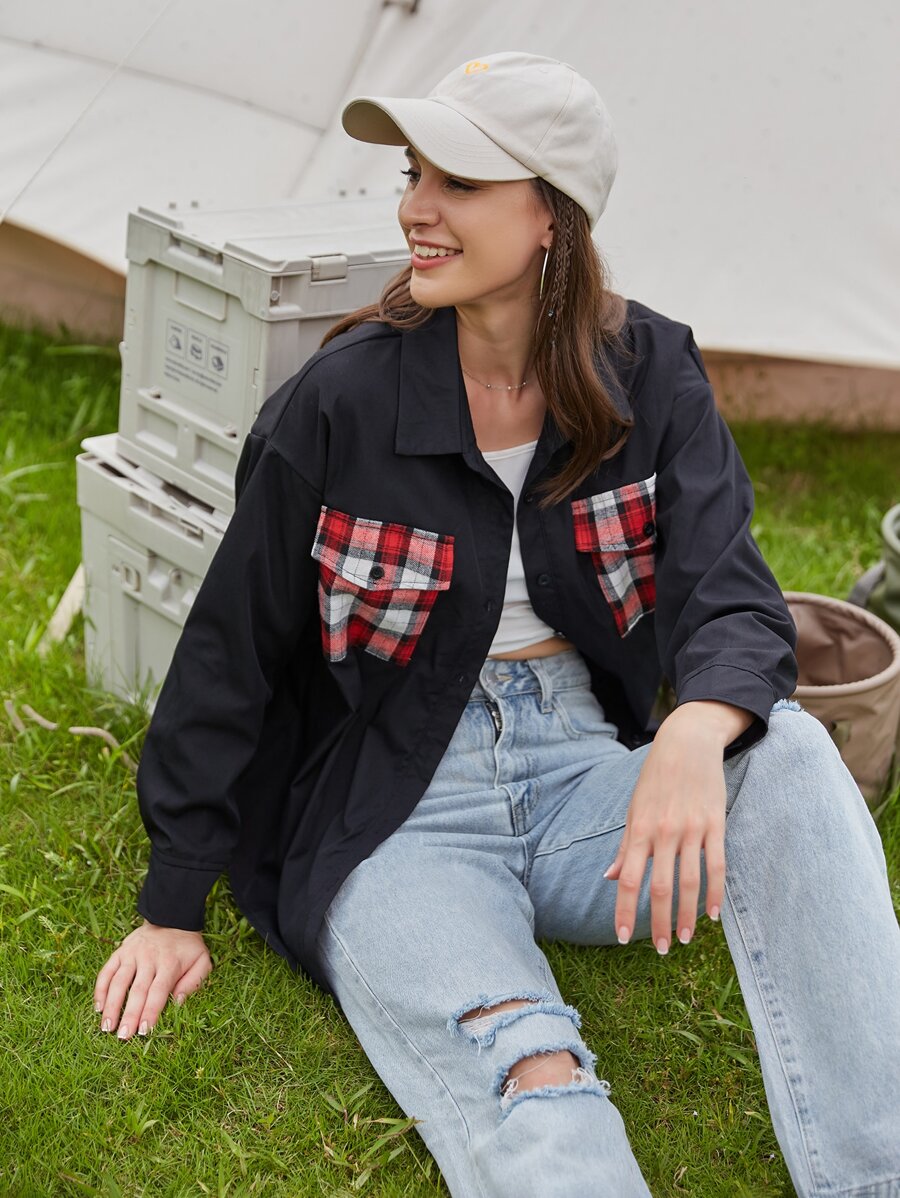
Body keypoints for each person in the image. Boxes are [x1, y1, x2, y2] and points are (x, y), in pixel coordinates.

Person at [93, 51, 900, 1196]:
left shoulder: (651, 373)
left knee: (794, 753)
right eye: (414, 176)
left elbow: (730, 590)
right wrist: (174, 901)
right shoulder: (338, 402)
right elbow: (232, 648)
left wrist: (691, 729)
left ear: (550, 218)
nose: (415, 209)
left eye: (459, 182)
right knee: (532, 1068)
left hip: (587, 784)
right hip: (392, 815)